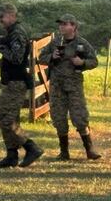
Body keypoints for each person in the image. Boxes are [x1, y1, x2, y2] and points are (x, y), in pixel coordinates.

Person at [38, 13, 101, 161]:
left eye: (64, 24)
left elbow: (94, 61)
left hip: (74, 85)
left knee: (80, 117)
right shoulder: (55, 42)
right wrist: (51, 57)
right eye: (60, 24)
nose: (61, 27)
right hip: (57, 86)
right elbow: (41, 58)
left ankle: (89, 150)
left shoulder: (82, 43)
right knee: (58, 118)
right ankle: (64, 152)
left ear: (73, 26)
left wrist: (82, 63)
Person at [0, 3, 44, 168]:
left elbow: (16, 58)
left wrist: (1, 47)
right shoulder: (12, 32)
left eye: (3, 17)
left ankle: (31, 147)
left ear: (12, 15)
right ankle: (11, 155)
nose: (1, 20)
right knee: (4, 118)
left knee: (6, 120)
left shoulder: (17, 33)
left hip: (17, 81)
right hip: (12, 81)